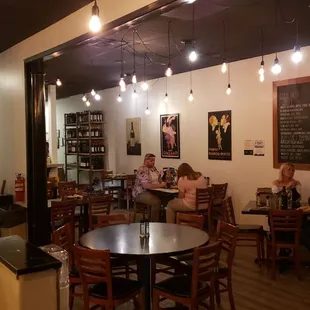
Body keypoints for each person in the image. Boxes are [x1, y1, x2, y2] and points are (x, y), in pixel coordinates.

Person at [132, 153, 166, 222]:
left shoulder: (153, 168)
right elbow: (146, 185)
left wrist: (161, 176)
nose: (153, 162)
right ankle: (154, 223)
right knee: (156, 202)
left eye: (154, 160)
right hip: (140, 193)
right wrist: (161, 185)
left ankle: (159, 220)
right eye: (152, 161)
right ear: (146, 160)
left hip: (152, 191)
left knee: (164, 199)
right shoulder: (142, 169)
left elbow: (159, 181)